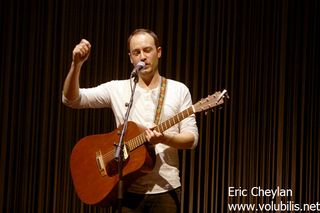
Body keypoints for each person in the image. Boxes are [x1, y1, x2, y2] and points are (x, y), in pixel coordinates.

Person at [62, 28, 199, 212]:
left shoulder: (178, 90)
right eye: (137, 52)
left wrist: (164, 138)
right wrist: (76, 64)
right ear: (130, 58)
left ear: (158, 52)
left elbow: (192, 139)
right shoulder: (117, 89)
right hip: (125, 190)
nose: (142, 57)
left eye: (147, 50)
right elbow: (71, 99)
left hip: (166, 191)